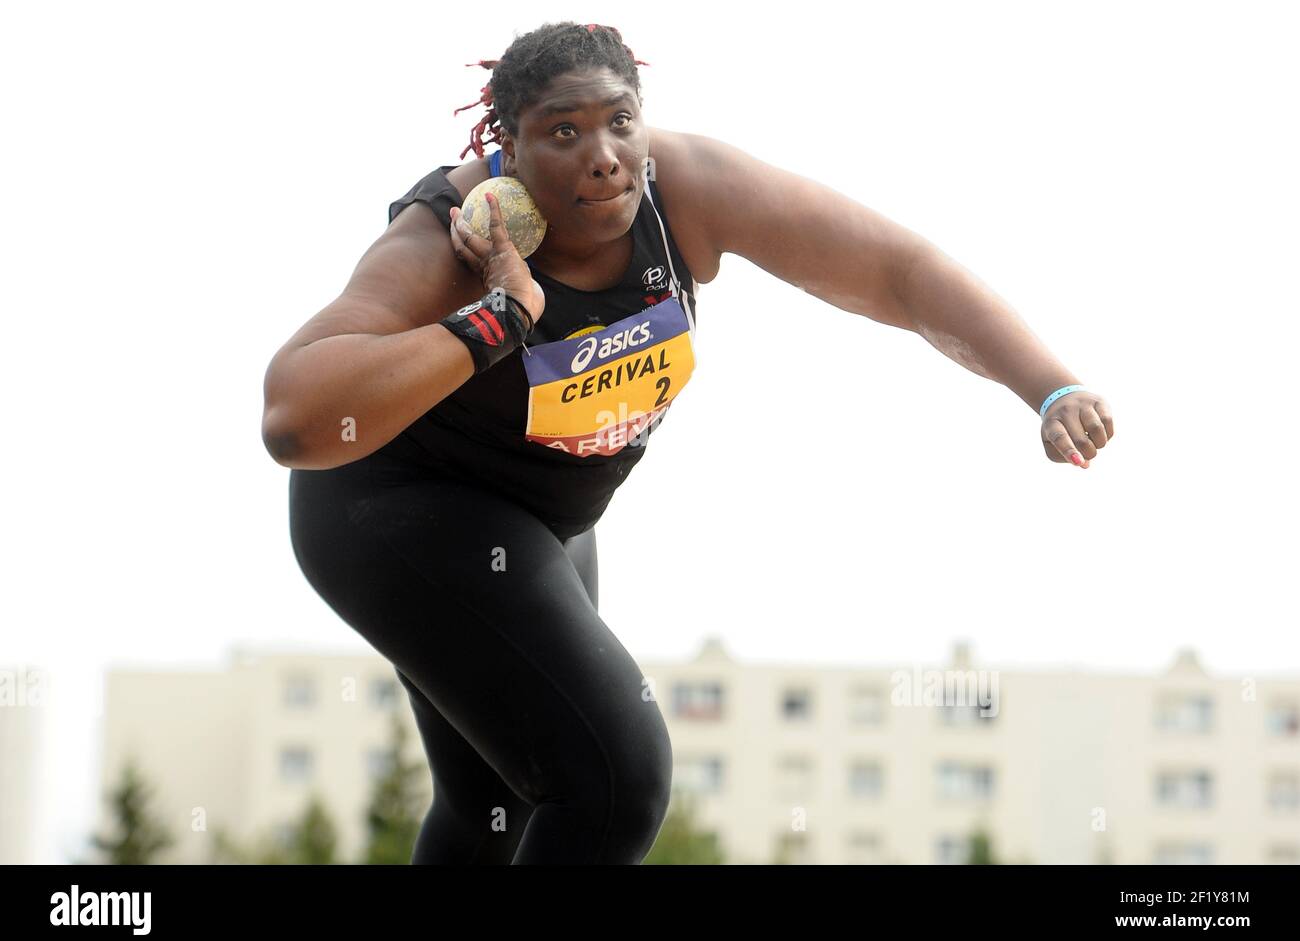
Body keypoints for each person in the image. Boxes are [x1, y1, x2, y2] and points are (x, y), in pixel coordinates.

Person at [260, 21, 1114, 865]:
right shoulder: (451, 242)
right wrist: (499, 318)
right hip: (394, 510)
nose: (604, 157)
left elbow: (897, 271)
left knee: (497, 804)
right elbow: (297, 417)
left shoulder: (684, 190)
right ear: (507, 150)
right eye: (563, 132)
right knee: (613, 778)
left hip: (544, 524)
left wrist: (1048, 387)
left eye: (619, 121)